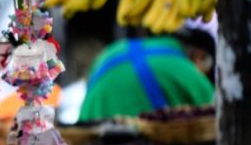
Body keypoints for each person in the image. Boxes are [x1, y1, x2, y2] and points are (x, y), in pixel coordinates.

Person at [78, 31, 215, 122]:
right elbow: (212, 120)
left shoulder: (113, 50)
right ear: (201, 57)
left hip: (86, 134)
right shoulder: (189, 71)